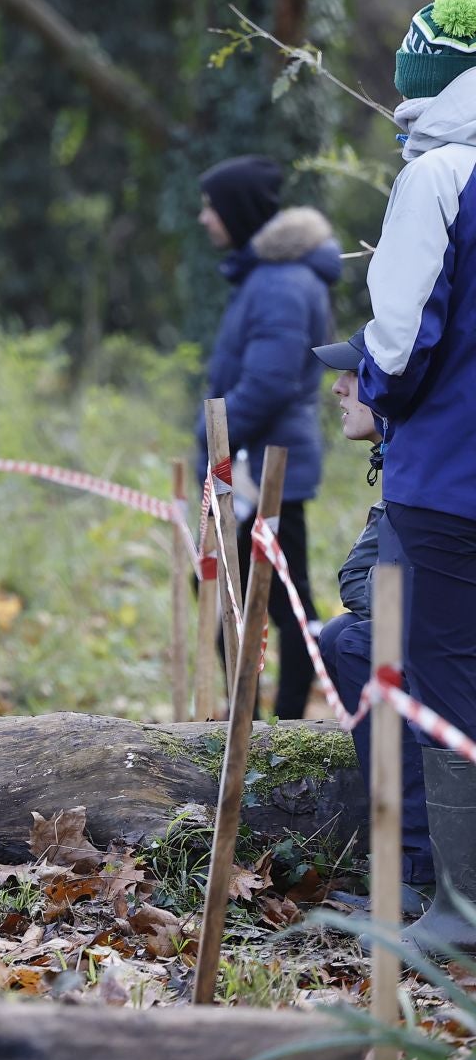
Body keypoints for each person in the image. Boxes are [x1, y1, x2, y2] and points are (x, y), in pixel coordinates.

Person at [355, 0, 476, 954]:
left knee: (447, 681)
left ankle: (459, 912)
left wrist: (373, 397)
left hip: (449, 480)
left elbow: (399, 342)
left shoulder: (438, 178)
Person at [195, 154, 340, 718]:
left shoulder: (281, 281)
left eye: (211, 206)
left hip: (265, 467)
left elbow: (270, 381)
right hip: (254, 464)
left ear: (238, 210)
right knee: (242, 592)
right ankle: (255, 729)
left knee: (283, 603)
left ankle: (277, 733)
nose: (204, 218)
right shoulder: (265, 274)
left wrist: (217, 444)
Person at [311, 331, 431, 915]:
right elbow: (369, 582)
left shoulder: (425, 455)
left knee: (357, 641)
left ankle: (419, 869)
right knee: (342, 638)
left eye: (353, 375)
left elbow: (374, 589)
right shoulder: (406, 449)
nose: (337, 387)